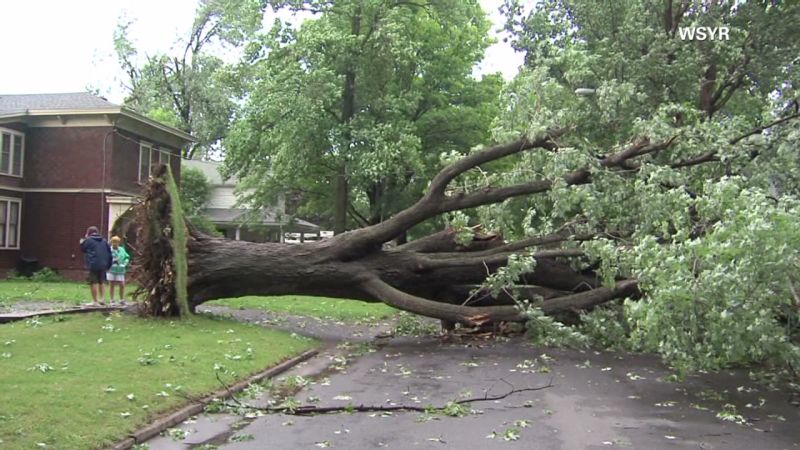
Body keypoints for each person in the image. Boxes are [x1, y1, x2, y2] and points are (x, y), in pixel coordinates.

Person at [79, 226, 112, 306]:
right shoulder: (104, 241)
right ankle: (103, 299)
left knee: (94, 281)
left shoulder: (88, 240)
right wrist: (108, 265)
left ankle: (95, 301)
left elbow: (83, 249)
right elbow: (109, 253)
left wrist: (82, 242)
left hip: (93, 264)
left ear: (88, 233)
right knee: (102, 281)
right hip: (104, 264)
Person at [107, 236, 130, 305]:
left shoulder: (122, 249)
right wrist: (113, 261)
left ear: (119, 243)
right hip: (111, 269)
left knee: (122, 284)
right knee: (112, 284)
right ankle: (112, 300)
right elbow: (107, 259)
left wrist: (125, 263)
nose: (115, 244)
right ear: (111, 242)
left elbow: (127, 257)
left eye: (116, 242)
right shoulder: (109, 250)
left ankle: (122, 299)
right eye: (113, 242)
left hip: (120, 269)